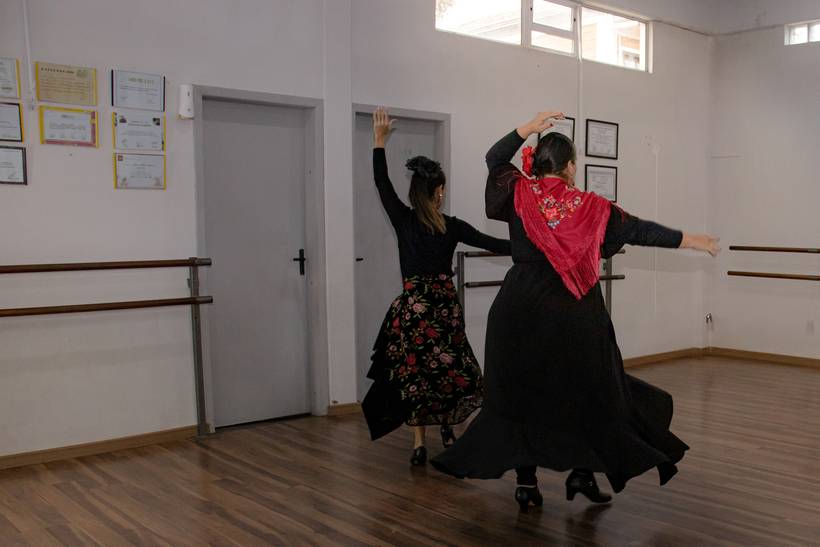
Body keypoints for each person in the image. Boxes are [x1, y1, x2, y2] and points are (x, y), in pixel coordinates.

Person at [431, 111, 720, 511]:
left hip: (518, 309)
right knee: (591, 393)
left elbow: (495, 158)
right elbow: (640, 230)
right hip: (573, 311)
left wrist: (528, 127)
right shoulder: (591, 207)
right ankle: (582, 474)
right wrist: (692, 240)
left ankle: (527, 484)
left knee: (520, 397)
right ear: (569, 167)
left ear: (538, 164)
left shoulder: (518, 192)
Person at [362, 108, 511, 466]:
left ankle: (419, 444)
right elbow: (493, 244)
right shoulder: (451, 226)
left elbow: (382, 184)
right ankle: (446, 426)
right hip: (443, 308)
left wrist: (379, 143)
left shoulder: (404, 220)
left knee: (417, 375)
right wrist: (534, 245)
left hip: (415, 310)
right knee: (448, 369)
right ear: (439, 191)